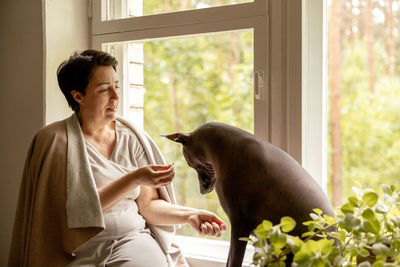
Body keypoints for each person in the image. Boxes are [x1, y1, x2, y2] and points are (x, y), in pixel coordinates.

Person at [9, 49, 227, 266]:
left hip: (131, 241)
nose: (115, 97)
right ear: (78, 96)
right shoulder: (54, 142)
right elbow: (74, 214)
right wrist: (134, 178)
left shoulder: (132, 138)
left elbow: (149, 206)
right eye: (104, 90)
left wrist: (190, 215)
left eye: (116, 87)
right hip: (76, 252)